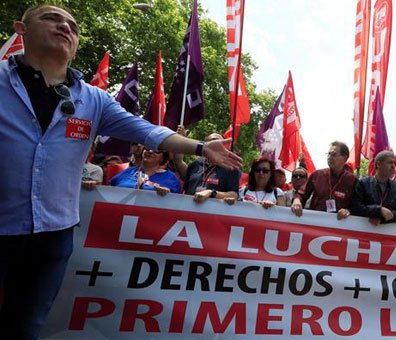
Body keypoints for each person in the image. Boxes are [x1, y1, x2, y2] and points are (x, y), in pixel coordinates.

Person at [0, 5, 242, 338]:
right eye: (51, 18)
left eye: (72, 25)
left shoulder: (94, 100)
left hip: (52, 237)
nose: (64, 26)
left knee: (24, 326)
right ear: (20, 28)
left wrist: (202, 147)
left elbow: (148, 131)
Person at [292, 141, 357, 220]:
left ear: (345, 158)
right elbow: (301, 194)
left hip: (340, 224)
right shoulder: (317, 175)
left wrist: (348, 211)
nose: (330, 157)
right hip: (316, 223)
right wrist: (297, 201)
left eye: (334, 154)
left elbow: (357, 205)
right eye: (328, 154)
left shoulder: (352, 180)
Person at [177, 131, 240, 204]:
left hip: (213, 213)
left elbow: (234, 195)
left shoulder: (230, 168)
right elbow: (185, 191)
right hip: (190, 210)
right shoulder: (194, 165)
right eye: (212, 141)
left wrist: (211, 193)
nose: (215, 143)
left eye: (219, 142)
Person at [351, 150, 396, 226]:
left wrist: (384, 217)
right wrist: (379, 210)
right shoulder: (363, 184)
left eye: (394, 163)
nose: (393, 166)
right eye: (389, 162)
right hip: (365, 233)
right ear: (378, 164)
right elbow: (355, 207)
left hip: (388, 235)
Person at [110, 149, 181, 195]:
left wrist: (168, 195)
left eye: (157, 150)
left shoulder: (171, 179)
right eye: (147, 147)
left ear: (163, 158)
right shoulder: (128, 171)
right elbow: (109, 190)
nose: (150, 151)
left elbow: (176, 203)